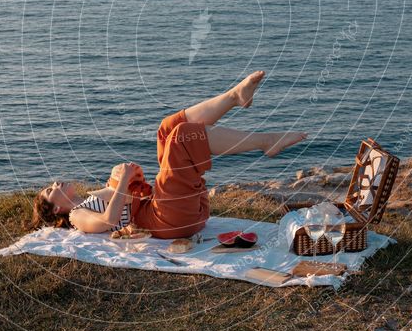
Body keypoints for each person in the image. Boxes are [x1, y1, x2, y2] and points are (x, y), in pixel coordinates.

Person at [32, 70, 307, 238]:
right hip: (167, 220)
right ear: (56, 208)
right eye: (49, 190)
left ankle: (235, 96)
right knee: (182, 137)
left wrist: (123, 180)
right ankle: (267, 141)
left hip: (175, 210)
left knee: (167, 129)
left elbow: (128, 199)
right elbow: (109, 221)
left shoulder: (92, 196)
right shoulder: (75, 216)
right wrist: (124, 180)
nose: (55, 183)